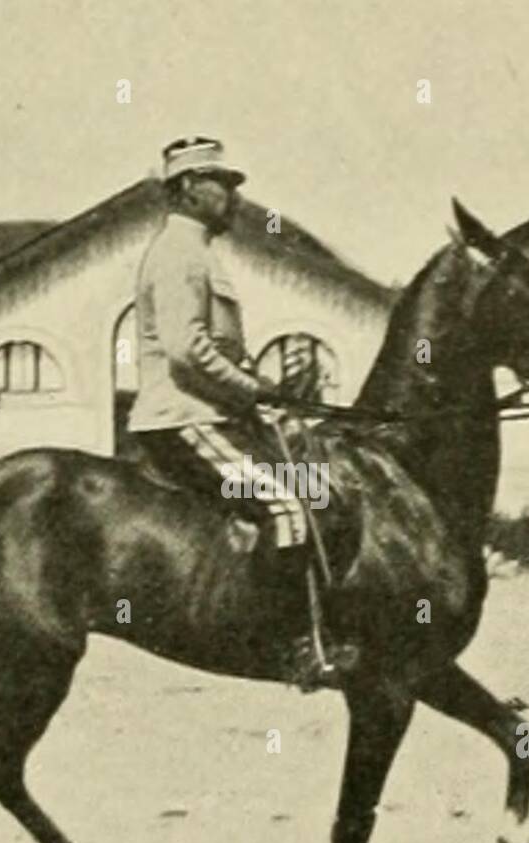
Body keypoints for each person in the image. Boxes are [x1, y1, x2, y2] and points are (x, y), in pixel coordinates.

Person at [129, 136, 356, 688]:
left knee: (315, 489)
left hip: (211, 413)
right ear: (187, 189)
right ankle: (288, 646)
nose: (232, 195)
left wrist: (266, 389)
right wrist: (252, 391)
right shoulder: (179, 252)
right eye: (220, 183)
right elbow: (187, 351)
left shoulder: (200, 251)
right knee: (286, 509)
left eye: (231, 185)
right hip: (183, 418)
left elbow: (221, 348)